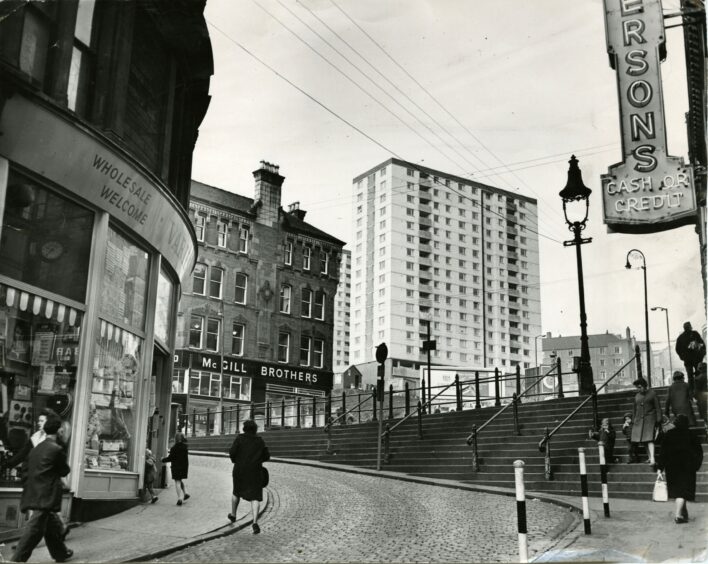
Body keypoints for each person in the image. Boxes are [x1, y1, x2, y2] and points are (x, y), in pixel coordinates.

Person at [11, 412, 72, 562]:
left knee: (49, 525)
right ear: (58, 431)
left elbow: (27, 468)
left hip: (33, 491)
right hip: (45, 494)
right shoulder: (56, 449)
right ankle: (16, 560)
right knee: (35, 530)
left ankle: (60, 553)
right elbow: (65, 470)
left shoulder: (36, 447)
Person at [656, 414, 703, 524]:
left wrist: (660, 468)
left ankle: (683, 514)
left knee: (679, 491)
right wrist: (696, 465)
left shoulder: (669, 435)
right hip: (687, 468)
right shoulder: (692, 435)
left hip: (672, 468)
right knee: (683, 491)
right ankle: (678, 515)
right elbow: (699, 453)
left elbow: (663, 452)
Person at [228, 419, 270, 534]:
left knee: (236, 492)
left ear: (244, 428)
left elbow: (232, 453)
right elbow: (267, 456)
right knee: (255, 496)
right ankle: (255, 522)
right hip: (255, 471)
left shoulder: (239, 439)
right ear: (255, 429)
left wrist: (236, 460)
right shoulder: (259, 441)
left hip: (239, 470)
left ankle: (233, 514)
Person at [630, 378, 661, 465]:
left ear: (644, 386)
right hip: (639, 421)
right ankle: (650, 457)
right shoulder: (637, 396)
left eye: (640, 387)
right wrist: (634, 420)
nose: (638, 389)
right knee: (643, 441)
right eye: (637, 388)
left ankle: (653, 459)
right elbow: (634, 409)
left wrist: (659, 419)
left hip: (650, 419)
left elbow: (658, 407)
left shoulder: (652, 393)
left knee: (650, 439)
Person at [675, 322, 705, 393]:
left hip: (688, 360)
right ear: (690, 327)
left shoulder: (681, 337)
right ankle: (698, 390)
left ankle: (691, 392)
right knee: (697, 375)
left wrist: (682, 357)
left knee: (690, 377)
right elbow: (702, 344)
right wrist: (701, 354)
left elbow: (677, 349)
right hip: (696, 359)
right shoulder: (695, 334)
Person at [161, 432, 190, 506]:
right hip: (183, 466)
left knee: (177, 481)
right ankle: (185, 493)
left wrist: (162, 459)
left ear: (176, 439)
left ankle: (179, 498)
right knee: (180, 480)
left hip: (176, 467)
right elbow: (186, 458)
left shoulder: (174, 448)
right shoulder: (185, 447)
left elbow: (170, 458)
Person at [694, 362, 707, 430]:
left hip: (703, 399)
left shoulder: (698, 378)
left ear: (699, 369)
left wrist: (695, 398)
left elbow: (696, 392)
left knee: (704, 416)